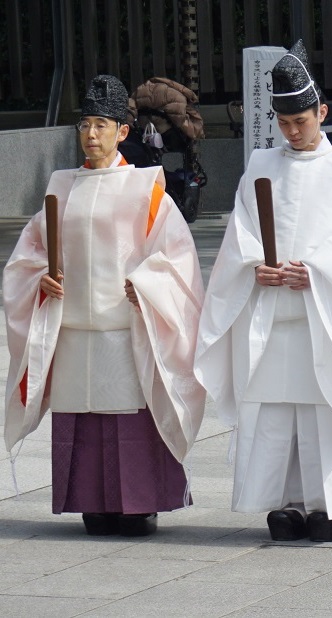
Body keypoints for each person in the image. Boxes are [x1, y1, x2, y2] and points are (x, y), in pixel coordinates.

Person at [194, 40, 332, 543]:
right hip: (271, 314)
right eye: (284, 123)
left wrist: (318, 272)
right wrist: (254, 266)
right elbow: (241, 234)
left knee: (323, 412)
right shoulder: (261, 167)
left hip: (324, 318)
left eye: (301, 121)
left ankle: (328, 505)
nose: (293, 131)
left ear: (321, 112)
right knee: (275, 411)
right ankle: (280, 503)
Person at [3, 74, 206, 536]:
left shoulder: (147, 190)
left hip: (125, 325)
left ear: (122, 132)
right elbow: (28, 256)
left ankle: (140, 503)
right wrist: (42, 280)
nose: (91, 135)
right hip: (73, 328)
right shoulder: (61, 188)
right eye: (85, 125)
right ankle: (89, 501)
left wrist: (149, 283)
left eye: (101, 125)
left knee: (129, 417)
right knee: (83, 418)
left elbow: (176, 256)